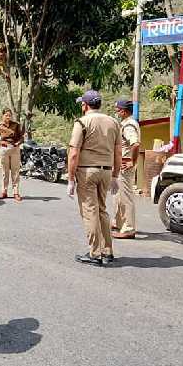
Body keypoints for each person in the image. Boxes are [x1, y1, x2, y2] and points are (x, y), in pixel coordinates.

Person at [66, 90, 121, 266]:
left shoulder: (82, 122)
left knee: (90, 211)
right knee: (102, 210)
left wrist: (70, 179)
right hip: (106, 171)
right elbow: (118, 152)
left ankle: (95, 253)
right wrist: (115, 175)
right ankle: (108, 251)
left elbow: (73, 153)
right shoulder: (113, 122)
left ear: (85, 105)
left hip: (87, 171)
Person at [111, 99, 141, 239]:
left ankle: (129, 228)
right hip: (120, 164)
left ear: (123, 111)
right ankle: (118, 222)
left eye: (117, 110)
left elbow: (135, 144)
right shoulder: (126, 123)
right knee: (118, 195)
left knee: (125, 197)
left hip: (125, 165)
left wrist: (132, 162)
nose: (116, 112)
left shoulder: (128, 125)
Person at [0, 108, 25, 201]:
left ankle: (16, 192)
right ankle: (4, 191)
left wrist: (18, 144)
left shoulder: (16, 125)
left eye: (10, 115)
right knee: (4, 172)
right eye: (6, 115)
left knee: (15, 171)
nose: (8, 117)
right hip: (3, 150)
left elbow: (21, 137)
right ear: (2, 116)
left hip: (14, 149)